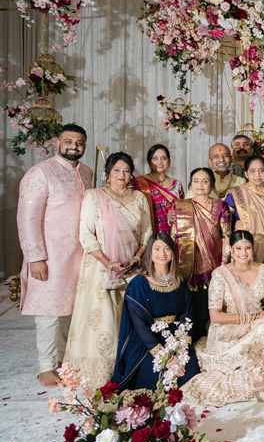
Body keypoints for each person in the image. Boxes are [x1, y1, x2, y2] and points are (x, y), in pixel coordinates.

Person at [183, 231, 264, 405]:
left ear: (253, 249)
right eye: (239, 248)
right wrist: (250, 318)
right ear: (231, 250)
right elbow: (215, 316)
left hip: (258, 323)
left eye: (248, 247)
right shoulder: (220, 275)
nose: (243, 252)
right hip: (228, 328)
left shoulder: (263, 270)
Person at [63, 152, 153, 388]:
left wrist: (137, 257)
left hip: (132, 266)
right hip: (101, 267)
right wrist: (108, 263)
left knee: (131, 315)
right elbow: (85, 234)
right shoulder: (94, 197)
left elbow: (147, 232)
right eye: (116, 170)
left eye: (126, 170)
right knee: (103, 318)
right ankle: (103, 370)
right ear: (107, 173)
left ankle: (132, 364)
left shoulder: (139, 198)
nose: (122, 175)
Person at [17, 124, 93, 386]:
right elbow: (27, 218)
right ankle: (46, 366)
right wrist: (35, 257)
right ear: (56, 142)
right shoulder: (40, 173)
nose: (74, 146)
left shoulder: (86, 172)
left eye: (79, 142)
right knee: (49, 312)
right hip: (50, 256)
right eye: (68, 141)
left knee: (71, 310)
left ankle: (65, 359)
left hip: (78, 255)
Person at [113, 232, 200, 390]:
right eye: (157, 249)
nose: (162, 253)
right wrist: (166, 357)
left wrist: (181, 350)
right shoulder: (139, 283)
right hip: (148, 343)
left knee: (191, 372)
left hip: (174, 339)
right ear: (150, 253)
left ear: (173, 252)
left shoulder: (179, 280)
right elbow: (140, 326)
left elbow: (186, 316)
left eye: (167, 248)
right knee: (159, 380)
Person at [171, 168, 232, 342]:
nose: (200, 185)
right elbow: (173, 236)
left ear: (211, 185)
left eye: (205, 181)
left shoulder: (221, 206)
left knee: (211, 302)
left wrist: (224, 263)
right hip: (185, 265)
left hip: (213, 264)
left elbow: (226, 236)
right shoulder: (180, 206)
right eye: (196, 181)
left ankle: (211, 340)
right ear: (191, 184)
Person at [225, 155, 264, 270]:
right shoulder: (236, 193)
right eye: (252, 171)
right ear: (246, 174)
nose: (257, 175)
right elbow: (225, 222)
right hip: (245, 249)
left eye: (261, 170)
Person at [134, 144, 184, 234]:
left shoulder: (177, 185)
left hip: (172, 235)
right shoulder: (138, 182)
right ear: (148, 162)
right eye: (155, 158)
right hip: (147, 234)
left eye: (163, 158)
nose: (159, 162)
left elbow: (183, 211)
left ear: (169, 161)